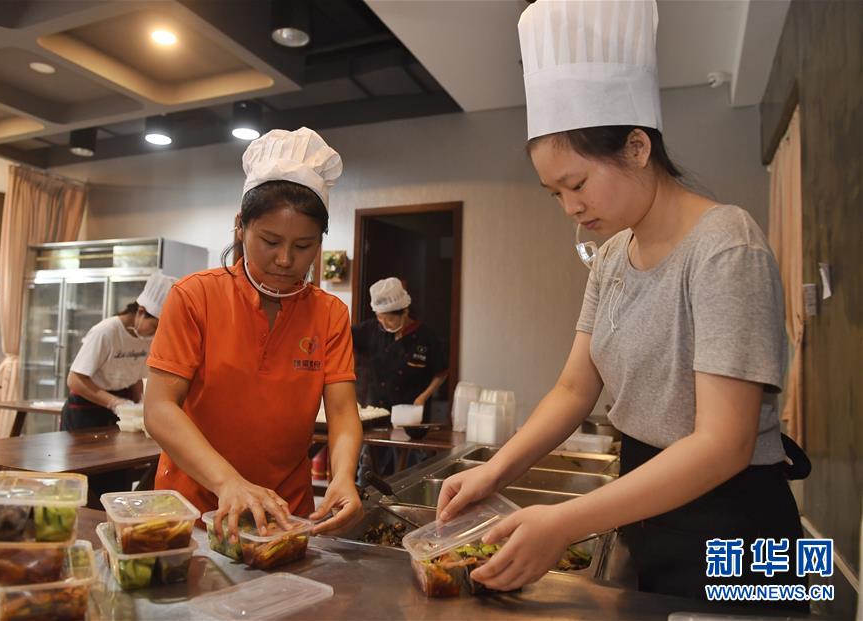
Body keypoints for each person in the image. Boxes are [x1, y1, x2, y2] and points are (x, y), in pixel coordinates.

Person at [437, 0, 808, 611]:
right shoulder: (611, 258)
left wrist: (564, 523)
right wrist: (496, 471)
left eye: (576, 184)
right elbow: (572, 389)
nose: (569, 208)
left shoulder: (725, 244)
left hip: (744, 523)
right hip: (647, 500)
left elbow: (724, 443)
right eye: (553, 192)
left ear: (637, 147)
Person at [144, 127, 363, 541]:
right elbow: (159, 409)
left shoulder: (330, 313)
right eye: (270, 241)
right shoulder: (195, 297)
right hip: (193, 508)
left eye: (303, 246)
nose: (285, 260)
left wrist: (344, 475)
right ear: (240, 227)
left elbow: (341, 411)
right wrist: (228, 481)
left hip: (285, 514)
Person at [62, 272, 174, 431]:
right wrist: (114, 402)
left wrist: (139, 404)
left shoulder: (146, 338)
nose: (154, 333)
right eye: (155, 327)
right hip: (86, 408)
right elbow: (74, 380)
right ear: (141, 312)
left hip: (121, 408)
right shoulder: (106, 332)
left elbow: (134, 375)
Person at [352, 277, 448, 415]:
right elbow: (342, 337)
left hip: (410, 412)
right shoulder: (372, 329)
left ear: (405, 312)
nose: (384, 324)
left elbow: (442, 372)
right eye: (380, 318)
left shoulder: (426, 336)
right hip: (376, 412)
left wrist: (424, 396)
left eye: (390, 319)